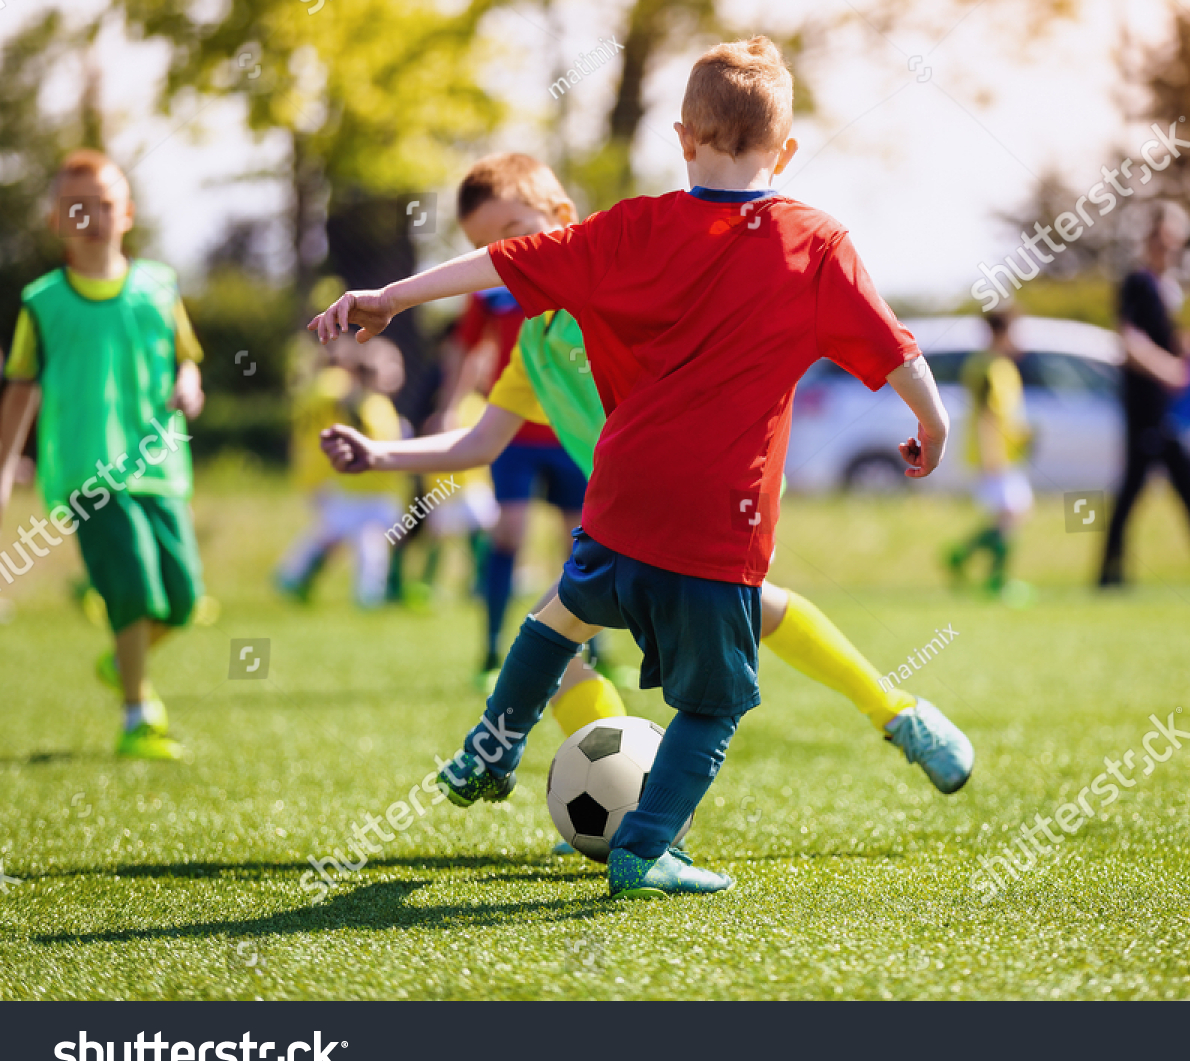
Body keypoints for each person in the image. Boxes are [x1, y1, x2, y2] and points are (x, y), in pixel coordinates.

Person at [310, 38, 961, 898]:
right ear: (789, 149)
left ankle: (494, 741)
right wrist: (935, 422)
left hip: (615, 502)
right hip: (714, 521)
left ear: (683, 137)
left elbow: (495, 268)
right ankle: (647, 846)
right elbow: (895, 349)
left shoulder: (624, 231)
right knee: (714, 703)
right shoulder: (817, 243)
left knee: (558, 618)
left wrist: (389, 296)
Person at [0, 149, 205, 760]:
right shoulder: (42, 301)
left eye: (104, 204)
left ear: (129, 214)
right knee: (137, 588)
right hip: (89, 473)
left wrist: (190, 383)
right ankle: (139, 715)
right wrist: (6, 466)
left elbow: (187, 355)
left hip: (161, 467)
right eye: (74, 207)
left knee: (185, 599)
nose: (91, 216)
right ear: (55, 221)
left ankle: (124, 659)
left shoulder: (161, 287)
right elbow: (21, 388)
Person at [442, 164, 590, 687]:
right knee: (509, 534)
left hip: (577, 435)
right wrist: (450, 403)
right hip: (514, 431)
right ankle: (490, 648)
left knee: (585, 543)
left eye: (512, 235)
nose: (501, 255)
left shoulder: (586, 277)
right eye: (485, 246)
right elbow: (467, 349)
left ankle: (591, 648)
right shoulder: (486, 288)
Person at [1098, 203, 1190, 587]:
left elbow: (1156, 340)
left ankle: (1111, 574)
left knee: (1175, 488)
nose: (1169, 250)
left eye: (1175, 244)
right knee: (1138, 491)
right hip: (1145, 410)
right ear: (1149, 241)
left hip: (1163, 412)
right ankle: (1111, 574)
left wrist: (1182, 348)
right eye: (1163, 242)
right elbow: (1130, 341)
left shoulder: (1165, 290)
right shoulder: (1138, 284)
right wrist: (1168, 367)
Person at [275, 336, 405, 607]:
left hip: (321, 472)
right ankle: (296, 579)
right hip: (335, 475)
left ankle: (294, 579)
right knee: (341, 537)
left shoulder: (312, 388)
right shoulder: (341, 389)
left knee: (333, 535)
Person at [947, 310, 1033, 601]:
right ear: (1002, 333)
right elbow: (987, 415)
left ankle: (962, 555)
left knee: (1012, 514)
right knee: (1009, 514)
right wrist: (992, 455)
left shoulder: (1001, 366)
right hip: (993, 456)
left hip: (1007, 455)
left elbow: (1007, 413)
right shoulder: (986, 367)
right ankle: (997, 581)